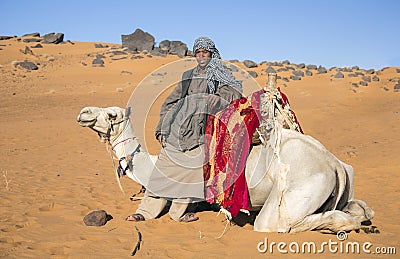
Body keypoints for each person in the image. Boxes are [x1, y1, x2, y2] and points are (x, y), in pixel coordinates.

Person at [125, 36, 242, 222]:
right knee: (163, 171)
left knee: (191, 173)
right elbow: (171, 102)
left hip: (204, 131)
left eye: (205, 53)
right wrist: (163, 129)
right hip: (179, 130)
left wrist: (218, 97)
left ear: (212, 54)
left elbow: (236, 91)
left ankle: (179, 213)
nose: (202, 56)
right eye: (198, 53)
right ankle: (146, 211)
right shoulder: (188, 75)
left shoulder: (222, 74)